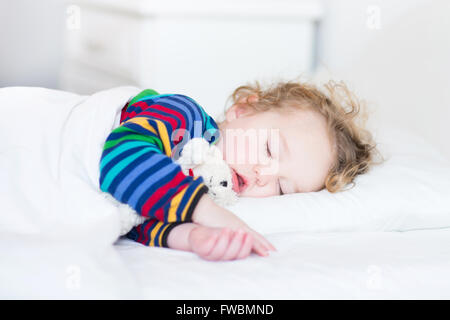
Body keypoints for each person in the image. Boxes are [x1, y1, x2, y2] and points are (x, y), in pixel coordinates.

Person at [99, 80, 377, 261]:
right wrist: (204, 211)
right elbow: (121, 159)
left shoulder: (208, 184)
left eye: (281, 187)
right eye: (269, 149)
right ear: (242, 111)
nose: (262, 174)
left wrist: (189, 236)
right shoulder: (185, 117)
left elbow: (133, 213)